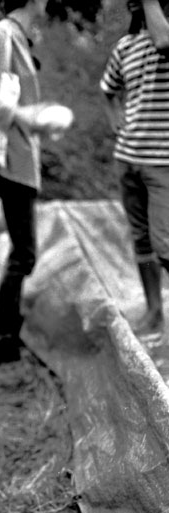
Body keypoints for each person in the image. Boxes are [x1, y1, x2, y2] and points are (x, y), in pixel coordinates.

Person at [0, 0, 58, 366]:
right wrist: (20, 115)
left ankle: (6, 337)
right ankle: (1, 342)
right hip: (10, 162)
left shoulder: (17, 36)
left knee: (24, 253)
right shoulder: (2, 33)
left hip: (19, 159)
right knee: (24, 254)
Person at [100, 0, 169, 336]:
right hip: (128, 159)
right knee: (142, 242)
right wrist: (118, 124)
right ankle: (155, 311)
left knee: (165, 244)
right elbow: (108, 89)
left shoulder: (164, 36)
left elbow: (164, 42)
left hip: (163, 163)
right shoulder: (125, 46)